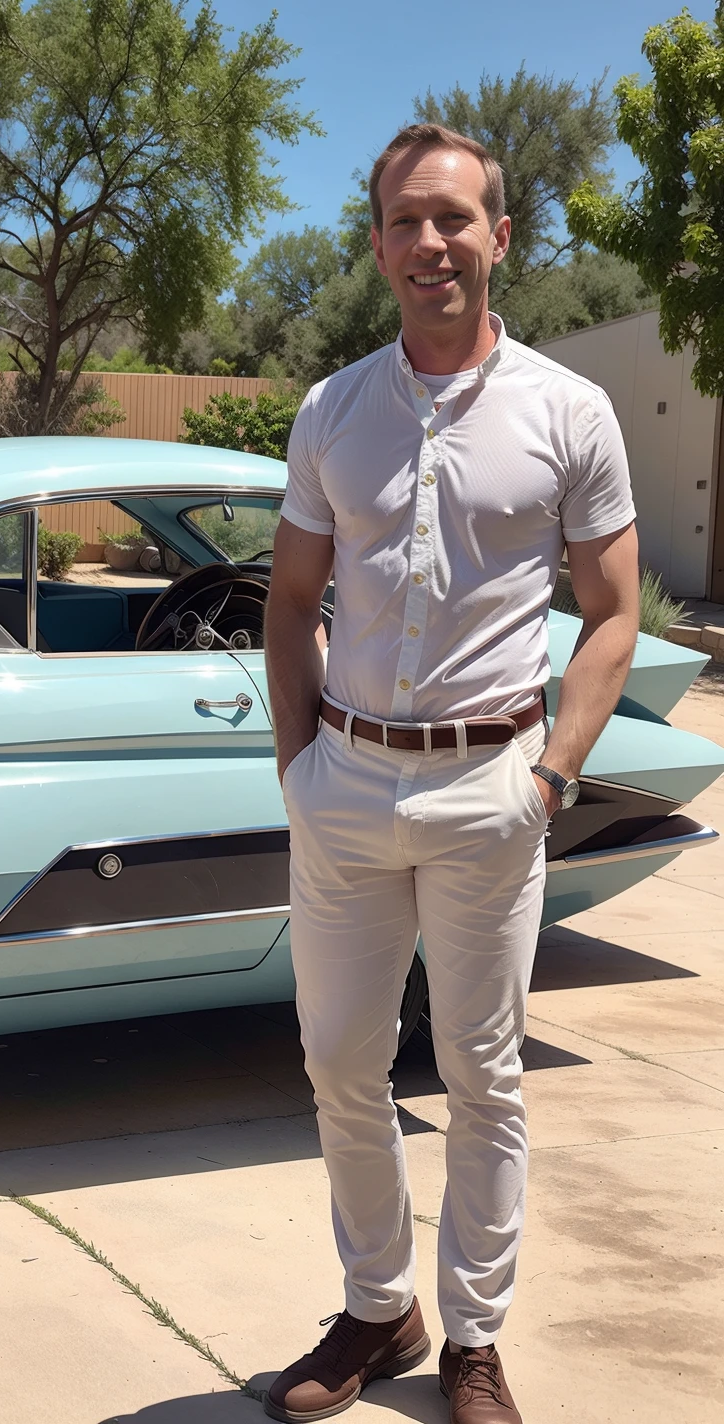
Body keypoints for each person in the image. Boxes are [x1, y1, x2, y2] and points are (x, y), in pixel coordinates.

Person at [262, 122, 638, 1424]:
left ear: (500, 236)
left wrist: (550, 778)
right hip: (348, 786)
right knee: (341, 1062)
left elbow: (613, 613)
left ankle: (475, 1339)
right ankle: (382, 1307)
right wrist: (298, 766)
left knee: (482, 1075)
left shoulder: (569, 411)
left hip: (491, 789)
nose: (431, 244)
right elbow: (293, 598)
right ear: (378, 245)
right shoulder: (334, 410)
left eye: (454, 219)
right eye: (406, 223)